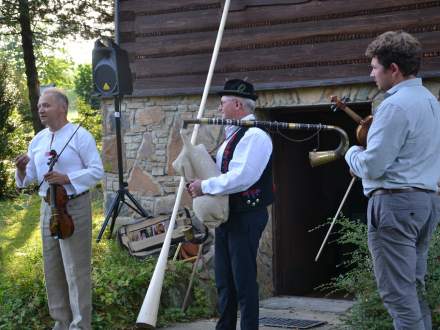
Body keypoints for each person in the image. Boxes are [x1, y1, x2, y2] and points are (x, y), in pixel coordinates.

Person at [345, 31, 440, 329]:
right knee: (413, 288)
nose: (371, 73)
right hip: (426, 201)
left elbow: (373, 166)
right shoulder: (431, 102)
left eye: (374, 67)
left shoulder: (394, 105)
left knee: (398, 295)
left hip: (395, 203)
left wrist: (351, 154)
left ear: (393, 69)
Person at [15, 88, 104, 330]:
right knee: (52, 269)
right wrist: (22, 170)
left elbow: (97, 171)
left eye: (46, 105)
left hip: (73, 207)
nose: (41, 110)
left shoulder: (80, 135)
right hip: (48, 208)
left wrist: (67, 178)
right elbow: (30, 178)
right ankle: (61, 323)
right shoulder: (38, 139)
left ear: (62, 107)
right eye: (39, 107)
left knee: (76, 269)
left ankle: (80, 325)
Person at [188, 79, 273, 330]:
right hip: (229, 216)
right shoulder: (231, 136)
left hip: (247, 215)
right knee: (224, 279)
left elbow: (242, 178)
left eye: (223, 103)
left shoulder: (255, 135)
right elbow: (221, 173)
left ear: (237, 104)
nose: (219, 108)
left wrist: (204, 187)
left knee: (243, 280)